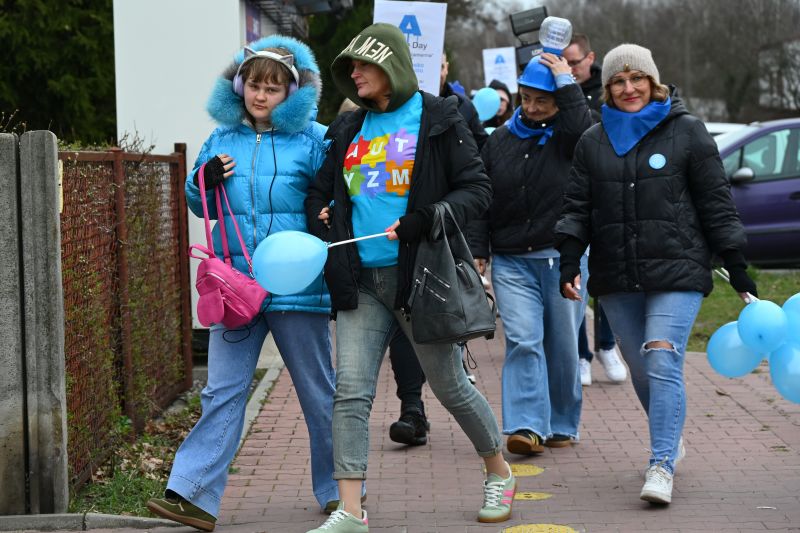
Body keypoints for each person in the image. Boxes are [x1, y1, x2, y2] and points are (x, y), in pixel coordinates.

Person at [304, 23, 515, 532]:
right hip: (360, 280)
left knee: (449, 386)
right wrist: (322, 213)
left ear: (391, 65)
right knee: (351, 391)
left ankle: (498, 470)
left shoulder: (438, 117)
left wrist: (428, 217)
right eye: (349, 68)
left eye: (362, 65)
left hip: (420, 278)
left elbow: (477, 189)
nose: (353, 75)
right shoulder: (348, 128)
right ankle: (351, 511)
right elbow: (321, 191)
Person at [146, 36, 340, 531]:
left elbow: (334, 200)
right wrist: (200, 180)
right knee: (221, 391)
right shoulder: (221, 139)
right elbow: (196, 198)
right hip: (234, 287)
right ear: (239, 87)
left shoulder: (316, 140)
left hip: (299, 289)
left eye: (273, 88)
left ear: (291, 92)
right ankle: (192, 494)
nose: (261, 95)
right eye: (254, 84)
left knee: (318, 393)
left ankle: (339, 492)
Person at [555, 43, 758, 505]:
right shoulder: (593, 139)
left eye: (637, 79)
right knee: (645, 370)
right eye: (618, 81)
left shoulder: (686, 131)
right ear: (607, 88)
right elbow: (576, 207)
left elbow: (715, 201)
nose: (629, 89)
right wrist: (569, 258)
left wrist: (736, 264)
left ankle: (661, 462)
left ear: (653, 81)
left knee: (662, 357)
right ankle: (670, 436)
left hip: (678, 268)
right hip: (616, 273)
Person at [469, 52, 593, 456]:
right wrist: (479, 248)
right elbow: (482, 197)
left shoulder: (570, 138)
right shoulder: (500, 140)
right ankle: (526, 425)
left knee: (561, 344)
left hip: (561, 258)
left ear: (558, 100)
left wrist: (567, 82)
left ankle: (560, 422)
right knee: (523, 340)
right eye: (527, 98)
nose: (534, 107)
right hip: (510, 259)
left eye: (544, 99)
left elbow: (583, 127)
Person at [381, 50, 489, 449]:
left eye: (443, 63)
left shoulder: (454, 109)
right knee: (398, 333)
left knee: (439, 353)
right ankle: (412, 410)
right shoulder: (370, 117)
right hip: (387, 251)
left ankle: (493, 457)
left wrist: (445, 220)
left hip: (435, 238)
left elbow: (474, 178)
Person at [563, 32, 628, 386]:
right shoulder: (558, 90)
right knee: (576, 281)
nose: (570, 69)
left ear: (590, 57)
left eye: (575, 62)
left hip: (606, 198)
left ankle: (606, 345)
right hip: (572, 197)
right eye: (565, 63)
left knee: (604, 278)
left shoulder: (610, 90)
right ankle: (581, 354)